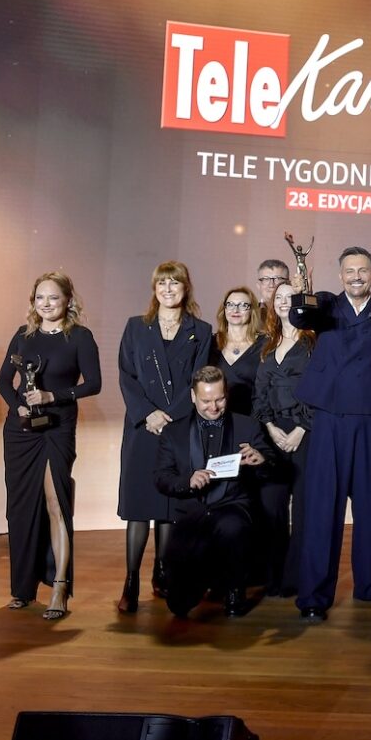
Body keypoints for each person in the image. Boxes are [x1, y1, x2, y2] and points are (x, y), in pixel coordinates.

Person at [289, 246, 371, 622]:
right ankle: (313, 596)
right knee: (324, 505)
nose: (356, 276)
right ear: (341, 276)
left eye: (363, 271)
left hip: (370, 416)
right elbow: (300, 316)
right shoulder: (326, 304)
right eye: (350, 271)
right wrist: (300, 292)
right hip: (330, 416)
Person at [0, 272, 102, 620]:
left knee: (56, 502)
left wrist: (52, 396)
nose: (46, 304)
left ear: (68, 300)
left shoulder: (80, 337)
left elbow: (94, 384)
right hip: (20, 431)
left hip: (57, 428)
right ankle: (22, 589)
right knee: (21, 508)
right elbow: (3, 381)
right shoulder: (22, 335)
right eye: (40, 297)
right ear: (33, 301)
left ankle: (59, 586)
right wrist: (19, 406)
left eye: (53, 297)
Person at [116, 261, 212, 613]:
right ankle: (131, 581)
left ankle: (163, 573)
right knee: (139, 507)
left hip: (178, 427)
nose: (168, 289)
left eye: (175, 283)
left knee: (169, 507)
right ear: (154, 289)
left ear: (186, 288)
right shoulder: (135, 327)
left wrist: (170, 416)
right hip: (142, 428)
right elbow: (127, 376)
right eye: (162, 284)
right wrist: (148, 414)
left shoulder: (201, 330)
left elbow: (199, 380)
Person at [154, 367, 271, 618]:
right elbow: (161, 478)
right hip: (191, 513)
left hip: (231, 506)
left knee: (232, 528)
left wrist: (261, 460)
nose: (214, 407)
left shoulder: (247, 426)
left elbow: (271, 469)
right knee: (178, 605)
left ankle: (234, 590)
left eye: (219, 399)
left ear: (226, 393)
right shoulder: (173, 432)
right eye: (206, 401)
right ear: (193, 397)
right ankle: (204, 580)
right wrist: (187, 480)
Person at [252, 281, 316, 597]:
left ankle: (296, 578)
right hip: (273, 434)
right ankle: (272, 576)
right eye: (278, 297)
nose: (283, 302)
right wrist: (268, 425)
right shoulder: (267, 344)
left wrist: (301, 428)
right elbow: (259, 392)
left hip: (305, 432)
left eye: (290, 297)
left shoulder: (313, 342)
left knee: (302, 508)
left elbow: (319, 389)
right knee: (272, 505)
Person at [211, 288, 266, 419]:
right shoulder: (210, 343)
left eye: (243, 305)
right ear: (224, 309)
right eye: (230, 304)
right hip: (216, 417)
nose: (235, 310)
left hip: (253, 418)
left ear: (252, 310)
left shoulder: (265, 344)